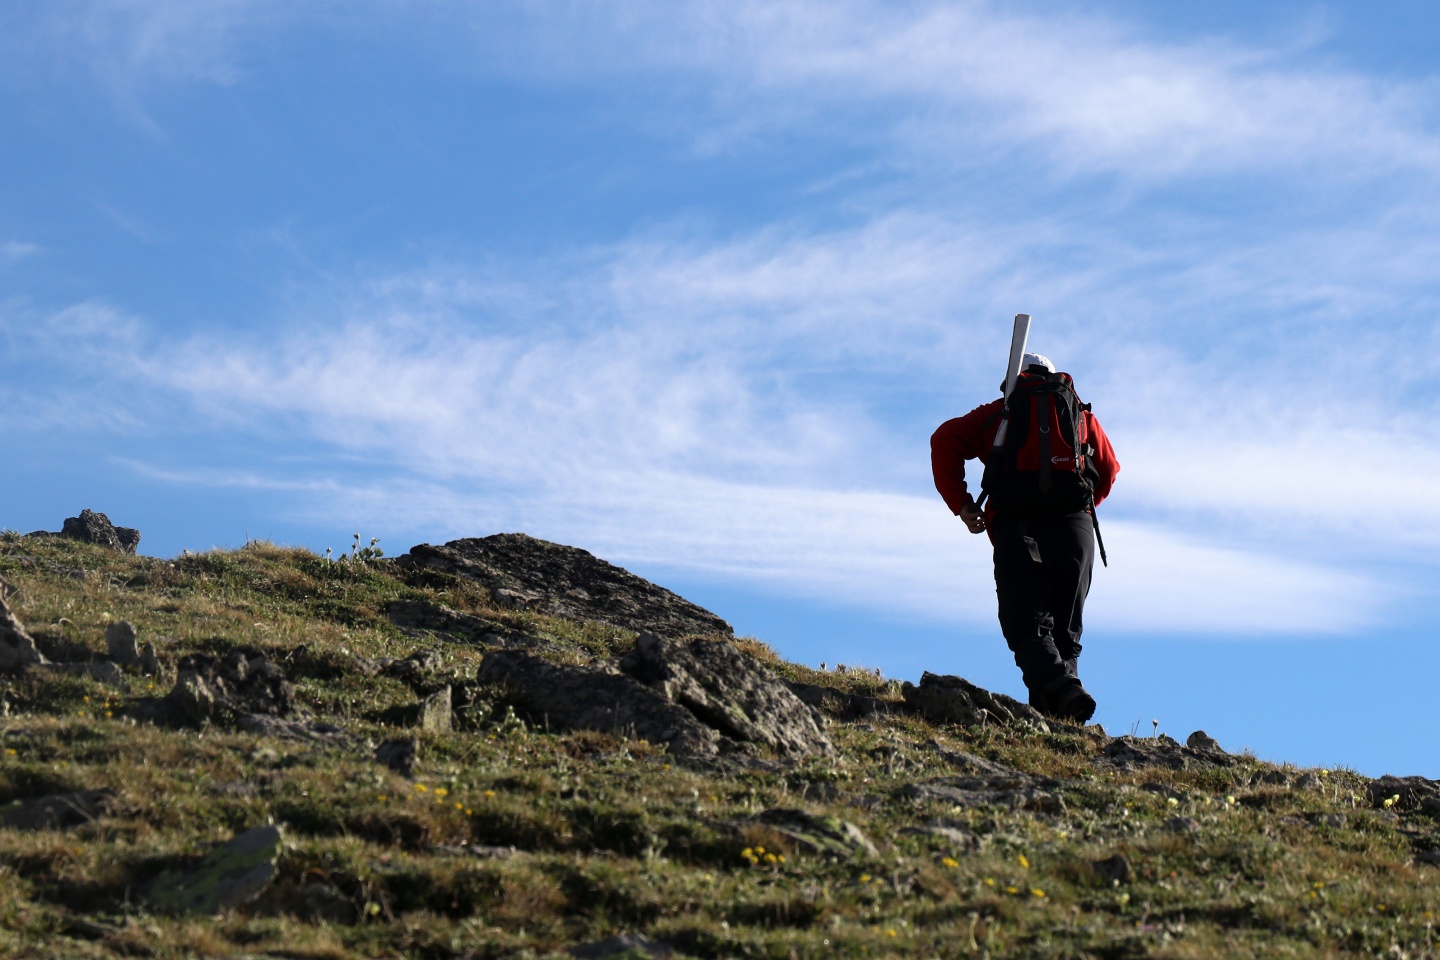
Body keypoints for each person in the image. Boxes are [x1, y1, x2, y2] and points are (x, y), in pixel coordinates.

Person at [930, 352, 1119, 723]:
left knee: (1027, 627)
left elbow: (944, 440)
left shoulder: (999, 414)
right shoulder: (1080, 415)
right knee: (1065, 636)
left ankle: (1064, 696)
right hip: (1075, 530)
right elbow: (1109, 469)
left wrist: (963, 505)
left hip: (1019, 527)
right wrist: (1080, 507)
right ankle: (1060, 719)